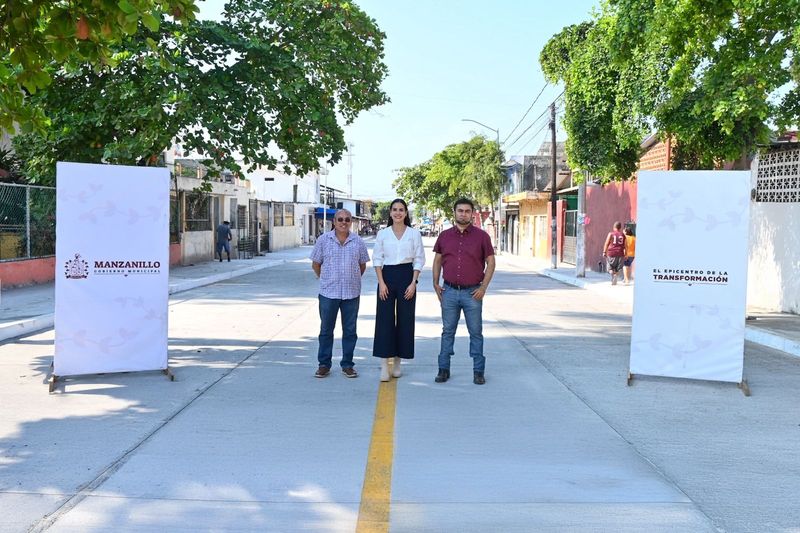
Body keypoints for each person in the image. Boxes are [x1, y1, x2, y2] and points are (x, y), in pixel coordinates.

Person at [432, 198, 495, 385]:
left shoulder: (482, 237)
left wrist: (483, 287)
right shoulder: (444, 236)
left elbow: (491, 262)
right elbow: (437, 260)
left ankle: (478, 371)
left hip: (473, 293)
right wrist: (435, 283)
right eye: (460, 210)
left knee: (475, 332)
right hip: (449, 291)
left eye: (467, 211)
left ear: (472, 213)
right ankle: (443, 369)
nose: (463, 214)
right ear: (454, 212)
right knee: (447, 331)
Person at [310, 209, 370, 378]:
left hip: (351, 294)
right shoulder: (323, 240)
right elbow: (316, 264)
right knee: (326, 330)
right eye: (340, 219)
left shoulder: (358, 241)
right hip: (328, 293)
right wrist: (327, 279)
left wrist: (351, 279)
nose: (344, 222)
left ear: (351, 222)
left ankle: (348, 364)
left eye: (347, 219)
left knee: (350, 331)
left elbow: (362, 266)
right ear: (334, 222)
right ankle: (324, 364)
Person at [372, 198, 425, 382]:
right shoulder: (383, 234)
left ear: (406, 213)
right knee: (384, 320)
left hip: (406, 275)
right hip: (386, 276)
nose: (397, 212)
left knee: (405, 319)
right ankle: (384, 366)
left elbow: (419, 258)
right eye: (394, 209)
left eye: (401, 209)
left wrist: (413, 283)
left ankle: (397, 363)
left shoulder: (414, 234)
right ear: (390, 213)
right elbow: (377, 259)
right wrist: (381, 283)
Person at [602, 221, 627, 285]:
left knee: (610, 268)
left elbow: (606, 243)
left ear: (614, 227)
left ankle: (613, 274)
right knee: (618, 268)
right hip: (620, 253)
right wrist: (626, 254)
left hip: (611, 253)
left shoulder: (611, 234)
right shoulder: (623, 235)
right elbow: (626, 246)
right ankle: (615, 275)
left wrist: (604, 252)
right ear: (620, 228)